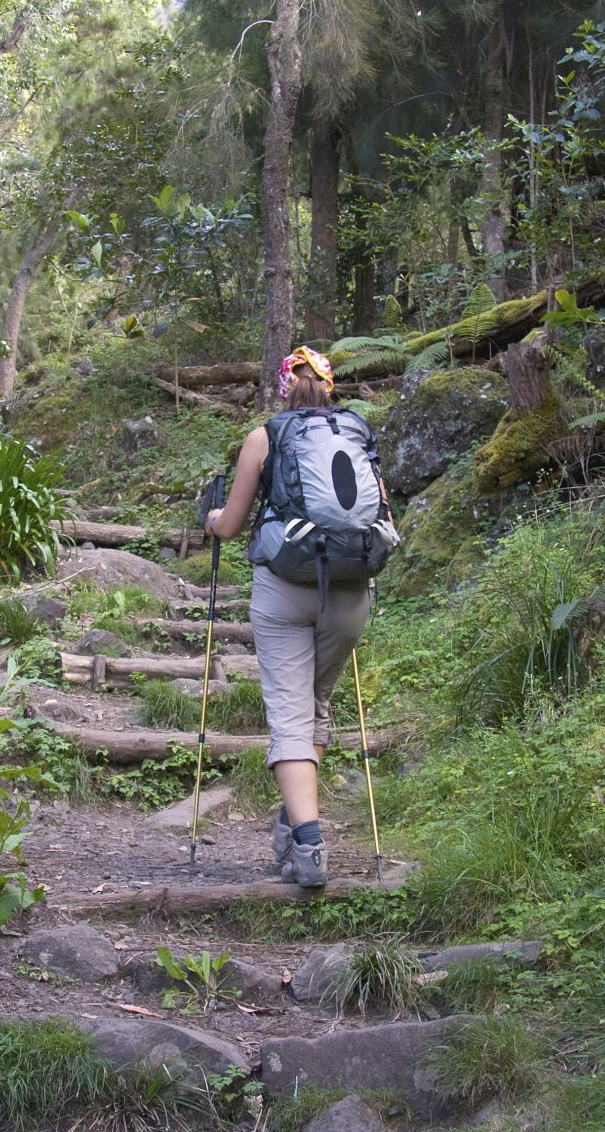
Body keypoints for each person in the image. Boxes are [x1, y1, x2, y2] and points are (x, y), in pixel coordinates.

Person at [204, 346, 389, 887]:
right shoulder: (356, 432)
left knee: (289, 718)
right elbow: (381, 510)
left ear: (284, 388)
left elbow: (233, 524)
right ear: (330, 387)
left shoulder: (266, 435)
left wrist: (212, 516)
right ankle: (291, 821)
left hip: (285, 588)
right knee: (315, 705)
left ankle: (309, 850)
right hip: (351, 589)